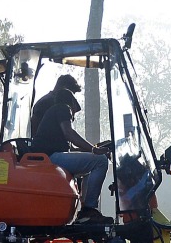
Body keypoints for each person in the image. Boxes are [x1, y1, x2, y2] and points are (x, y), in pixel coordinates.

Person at [30, 88, 111, 223]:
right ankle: (89, 209)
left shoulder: (53, 112)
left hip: (50, 156)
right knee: (101, 161)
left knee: (89, 169)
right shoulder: (63, 107)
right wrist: (93, 150)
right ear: (71, 103)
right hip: (51, 158)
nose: (73, 115)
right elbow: (69, 134)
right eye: (74, 111)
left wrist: (92, 149)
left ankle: (84, 214)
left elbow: (71, 147)